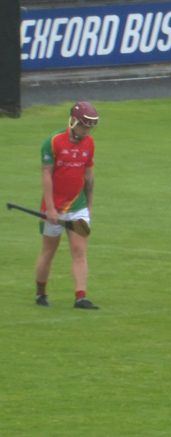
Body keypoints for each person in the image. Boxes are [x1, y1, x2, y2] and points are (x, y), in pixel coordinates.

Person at [34, 101, 100, 309]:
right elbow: (46, 175)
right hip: (54, 208)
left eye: (89, 127)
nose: (86, 131)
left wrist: (89, 206)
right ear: (72, 121)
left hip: (78, 207)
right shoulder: (53, 142)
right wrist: (50, 208)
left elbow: (89, 177)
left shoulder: (89, 144)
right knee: (48, 251)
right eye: (83, 126)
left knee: (79, 251)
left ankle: (81, 297)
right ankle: (40, 293)